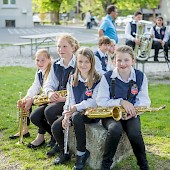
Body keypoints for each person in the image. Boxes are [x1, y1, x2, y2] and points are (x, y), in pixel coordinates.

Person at [96, 45, 150, 170]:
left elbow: (144, 100)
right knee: (115, 130)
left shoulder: (140, 76)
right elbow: (101, 100)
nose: (122, 63)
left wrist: (134, 110)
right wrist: (120, 102)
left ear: (133, 61)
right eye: (119, 60)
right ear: (114, 61)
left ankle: (143, 164)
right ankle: (105, 165)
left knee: (134, 133)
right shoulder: (107, 77)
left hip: (132, 113)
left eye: (126, 60)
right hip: (110, 114)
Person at [29, 34, 79, 156]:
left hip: (72, 100)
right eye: (58, 46)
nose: (61, 50)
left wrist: (62, 98)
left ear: (73, 47)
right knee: (34, 116)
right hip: (58, 98)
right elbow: (48, 84)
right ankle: (55, 137)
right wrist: (50, 93)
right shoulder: (56, 64)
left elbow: (81, 91)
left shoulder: (79, 63)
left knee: (49, 111)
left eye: (64, 46)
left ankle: (59, 144)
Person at [51, 47, 101, 170]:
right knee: (56, 127)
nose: (83, 65)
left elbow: (94, 101)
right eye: (80, 62)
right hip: (74, 111)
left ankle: (81, 154)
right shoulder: (72, 78)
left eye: (86, 62)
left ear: (92, 63)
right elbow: (70, 98)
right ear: (76, 62)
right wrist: (66, 115)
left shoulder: (98, 79)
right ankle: (64, 152)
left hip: (91, 113)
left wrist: (75, 108)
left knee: (76, 117)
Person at [9, 49, 52, 148]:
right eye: (37, 60)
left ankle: (40, 135)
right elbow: (35, 87)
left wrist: (32, 99)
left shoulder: (51, 70)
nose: (40, 63)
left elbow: (47, 90)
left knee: (39, 105)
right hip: (43, 97)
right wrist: (26, 98)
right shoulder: (39, 71)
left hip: (49, 98)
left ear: (49, 60)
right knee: (24, 101)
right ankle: (24, 129)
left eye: (43, 60)